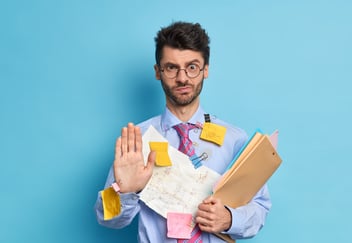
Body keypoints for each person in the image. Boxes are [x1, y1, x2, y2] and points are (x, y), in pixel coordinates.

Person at [94, 21, 271, 242]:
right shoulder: (135, 141)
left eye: (192, 67)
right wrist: (125, 192)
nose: (182, 78)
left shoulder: (235, 139)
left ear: (205, 69)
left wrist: (229, 219)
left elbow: (260, 207)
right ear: (158, 71)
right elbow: (106, 217)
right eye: (171, 67)